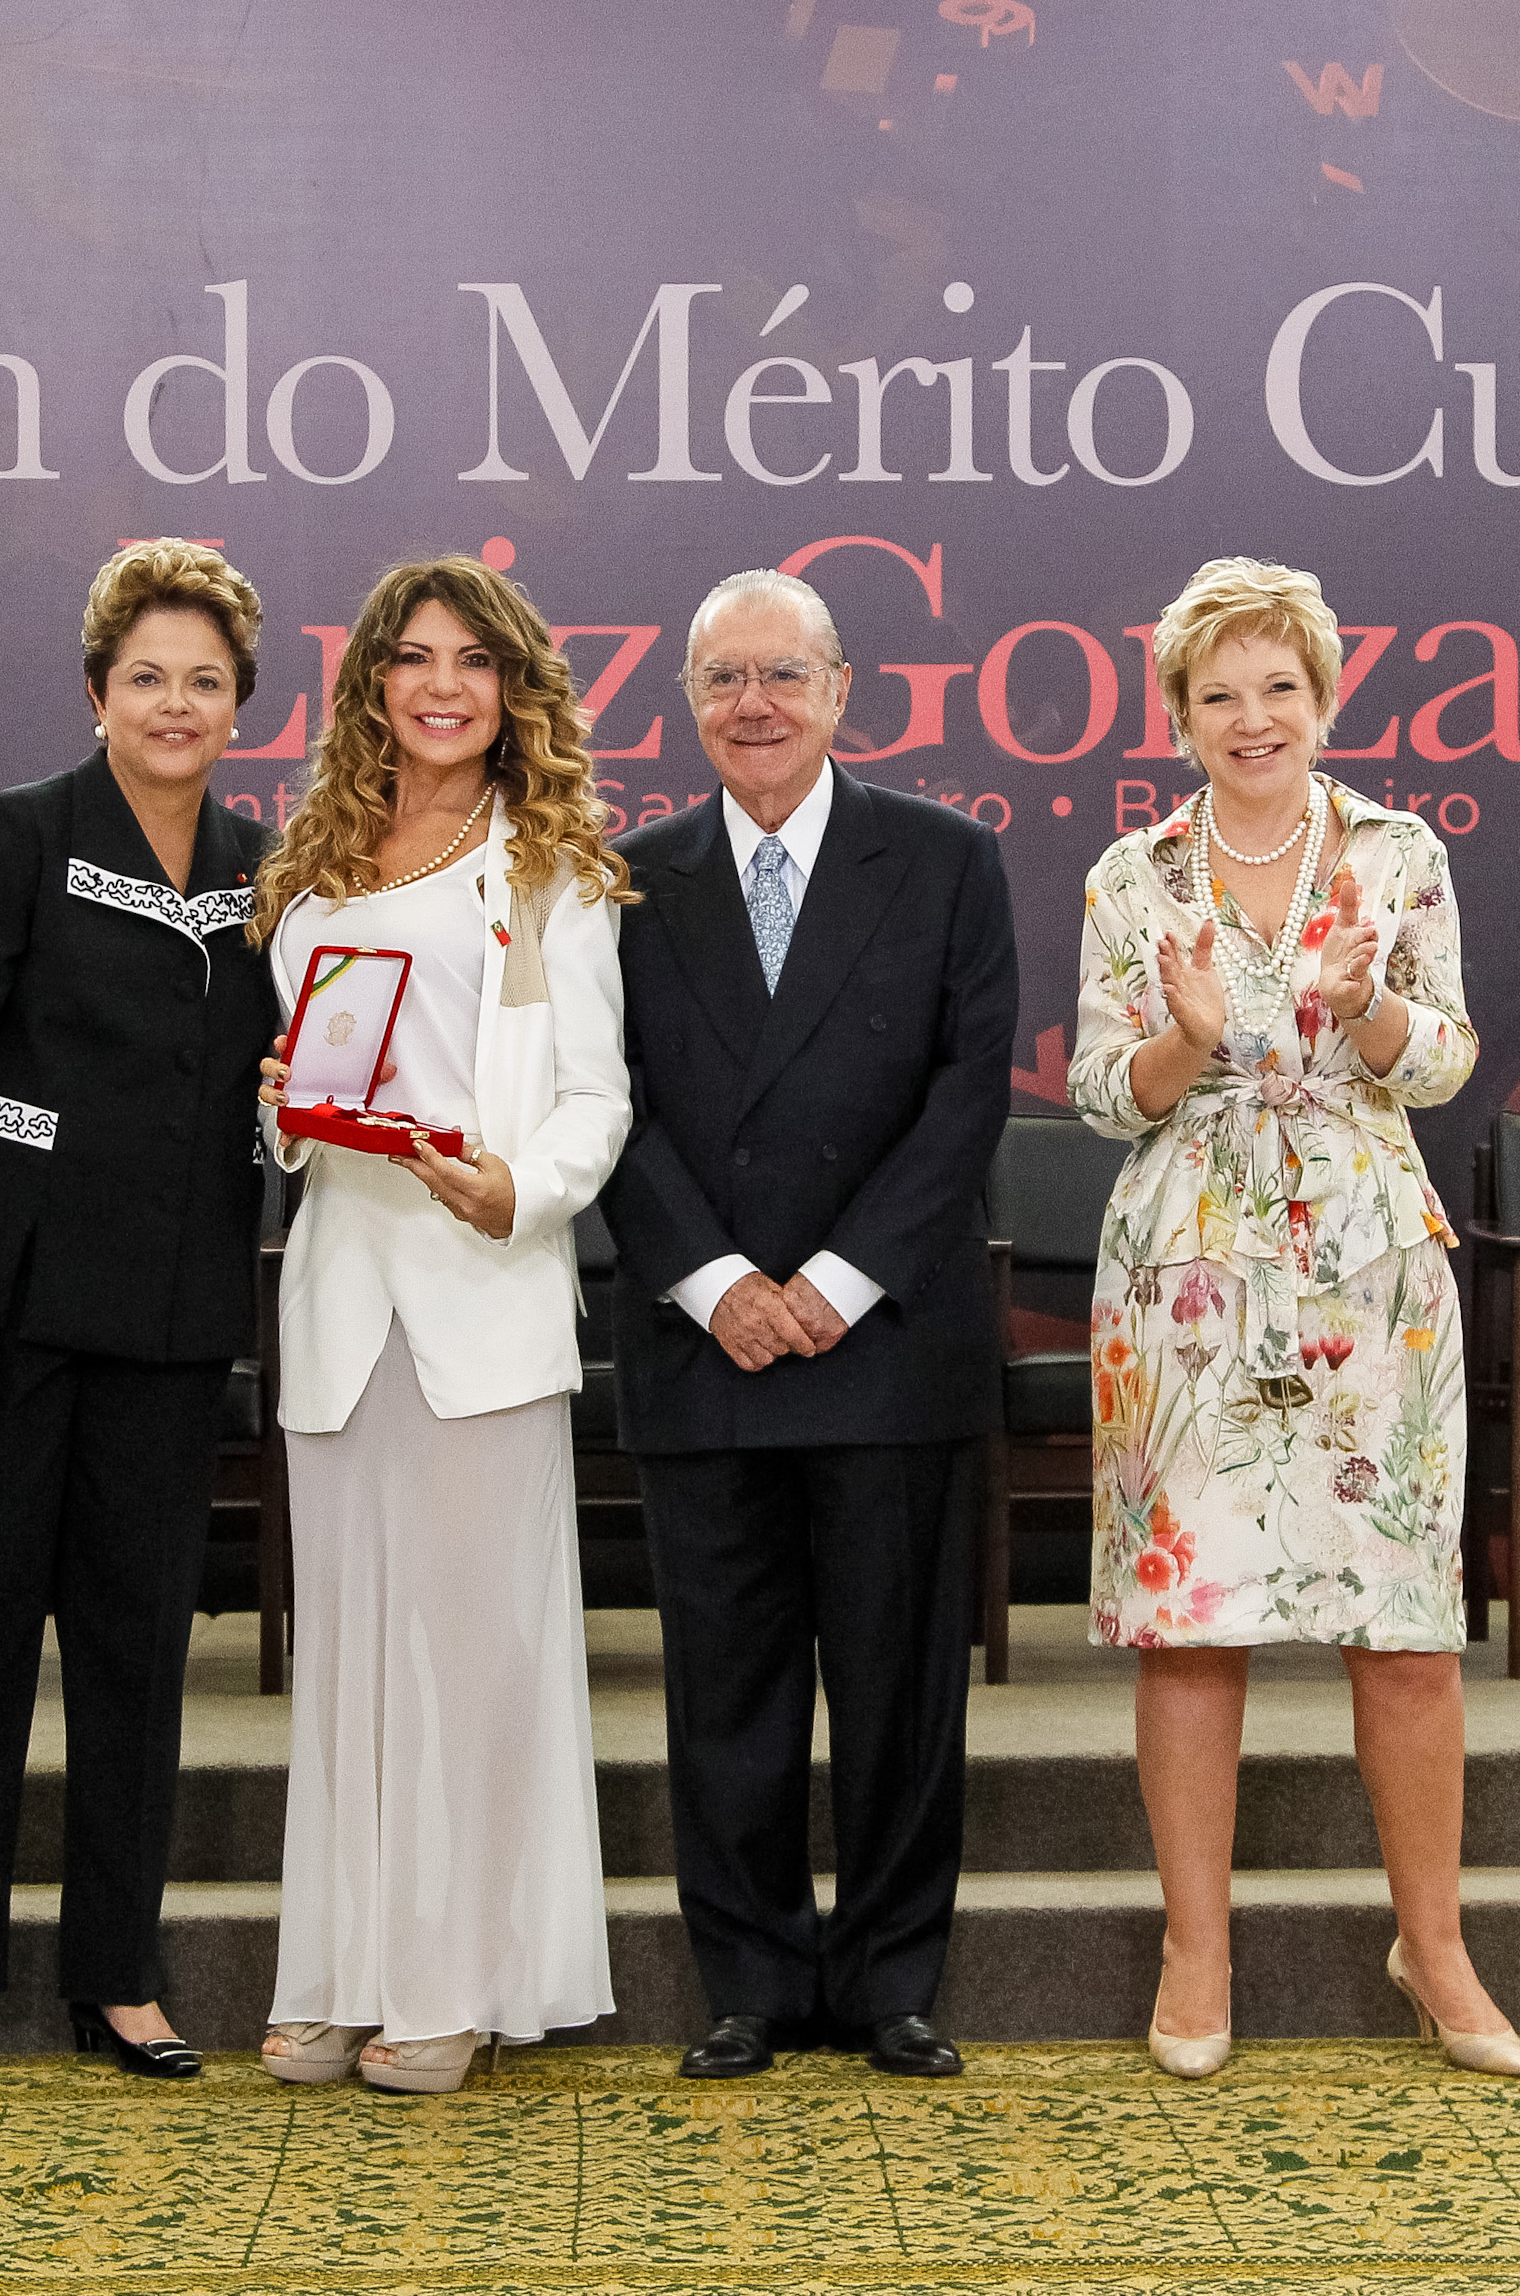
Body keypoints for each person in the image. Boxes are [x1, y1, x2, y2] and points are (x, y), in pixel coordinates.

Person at [1066, 556, 1520, 2081]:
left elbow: (1448, 1053)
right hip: (1183, 1284)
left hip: (1368, 1278)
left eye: (1278, 689)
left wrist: (1372, 1009)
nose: (1250, 718)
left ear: (1323, 698)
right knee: (1189, 1636)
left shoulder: (1398, 855)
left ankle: (1436, 1945)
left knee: (1401, 1633)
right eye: (1218, 695)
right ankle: (1195, 1950)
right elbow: (1091, 1090)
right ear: (1178, 716)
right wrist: (1182, 1045)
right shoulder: (1130, 877)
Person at [0, 540, 277, 2089]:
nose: (176, 703)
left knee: (133, 1653)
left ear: (241, 708)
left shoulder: (264, 875)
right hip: (1, 1307)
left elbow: (278, 1086)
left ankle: (121, 1970)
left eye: (205, 681)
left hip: (167, 1319)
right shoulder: (16, 837)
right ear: (98, 691)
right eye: (148, 676)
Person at [600, 569, 1017, 2081]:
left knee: (902, 1689)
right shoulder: (623, 879)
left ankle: (894, 1976)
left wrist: (834, 1283)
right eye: (720, 681)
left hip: (885, 1341)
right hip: (702, 1342)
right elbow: (609, 1110)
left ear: (843, 690)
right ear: (689, 706)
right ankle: (752, 1981)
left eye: (781, 675)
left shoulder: (949, 861)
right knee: (727, 1689)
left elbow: (967, 1095)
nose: (752, 706)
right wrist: (720, 1286)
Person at [247, 555, 631, 2097]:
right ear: (372, 688)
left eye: (473, 659)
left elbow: (594, 1099)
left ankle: (458, 1978)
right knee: (352, 1656)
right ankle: (343, 1970)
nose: (442, 685)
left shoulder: (556, 870)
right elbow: (305, 1082)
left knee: (475, 1656)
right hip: (341, 1297)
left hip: (482, 1291)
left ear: (516, 685)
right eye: (412, 659)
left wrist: (517, 1192)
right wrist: (279, 1110)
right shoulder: (314, 863)